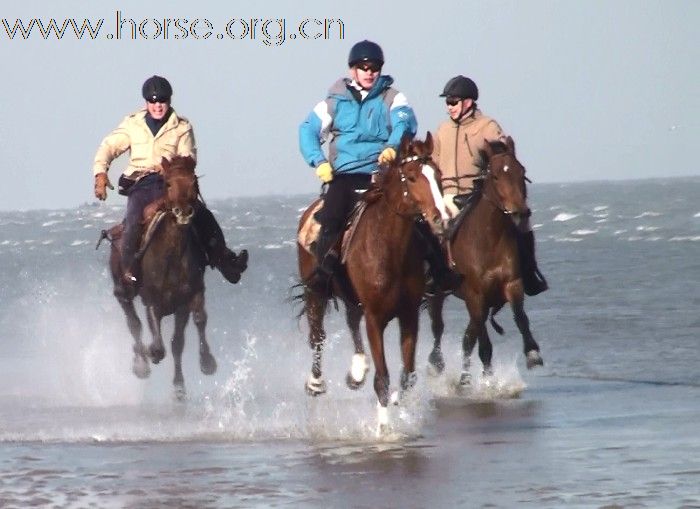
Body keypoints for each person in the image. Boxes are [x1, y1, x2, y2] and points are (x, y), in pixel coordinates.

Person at [298, 40, 462, 292]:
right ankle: (324, 275)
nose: (369, 72)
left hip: (383, 172)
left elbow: (404, 123)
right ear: (353, 69)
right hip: (345, 174)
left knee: (416, 215)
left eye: (374, 67)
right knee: (331, 216)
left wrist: (392, 146)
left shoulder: (393, 97)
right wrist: (318, 162)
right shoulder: (334, 101)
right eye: (364, 67)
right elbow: (307, 131)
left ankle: (440, 272)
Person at [92, 75, 248, 285]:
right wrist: (101, 173)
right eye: (153, 101)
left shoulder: (182, 127)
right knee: (132, 221)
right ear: (146, 103)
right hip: (142, 183)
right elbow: (108, 147)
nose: (158, 106)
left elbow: (188, 156)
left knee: (203, 216)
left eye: (162, 101)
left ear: (169, 101)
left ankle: (224, 260)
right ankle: (129, 269)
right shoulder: (132, 124)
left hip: (173, 184)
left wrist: (170, 167)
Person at [433, 75, 548, 295]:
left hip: (477, 195)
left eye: (453, 102)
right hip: (449, 195)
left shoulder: (487, 126)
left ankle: (529, 271)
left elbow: (502, 155)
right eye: (447, 102)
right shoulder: (442, 130)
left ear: (468, 102)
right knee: (431, 227)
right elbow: (434, 161)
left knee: (522, 224)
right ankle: (435, 275)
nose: (449, 107)